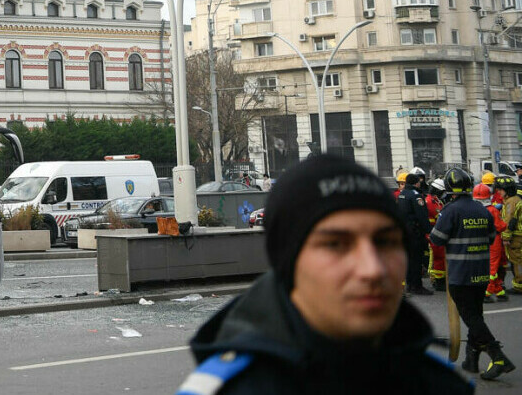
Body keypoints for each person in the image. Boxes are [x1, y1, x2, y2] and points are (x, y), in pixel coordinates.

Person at [179, 155, 469, 394]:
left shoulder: (440, 383)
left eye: (386, 241)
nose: (372, 269)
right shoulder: (226, 389)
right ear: (287, 261)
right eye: (335, 245)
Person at [432, 166, 514, 378]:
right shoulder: (482, 210)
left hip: (460, 274)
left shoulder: (450, 211)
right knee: (476, 315)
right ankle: (471, 358)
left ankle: (498, 357)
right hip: (481, 273)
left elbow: (437, 239)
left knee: (471, 318)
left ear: (449, 189)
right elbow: (490, 238)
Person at [397, 172, 432, 297]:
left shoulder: (402, 194)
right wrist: (429, 230)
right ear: (416, 182)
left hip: (404, 232)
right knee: (416, 259)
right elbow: (422, 215)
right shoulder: (416, 196)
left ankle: (410, 284)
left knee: (409, 259)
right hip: (415, 233)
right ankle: (417, 286)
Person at [426, 178, 447, 291]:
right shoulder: (430, 201)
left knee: (439, 257)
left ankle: (439, 279)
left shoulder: (436, 200)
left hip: (437, 232)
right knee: (437, 258)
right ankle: (438, 281)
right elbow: (436, 215)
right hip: (433, 233)